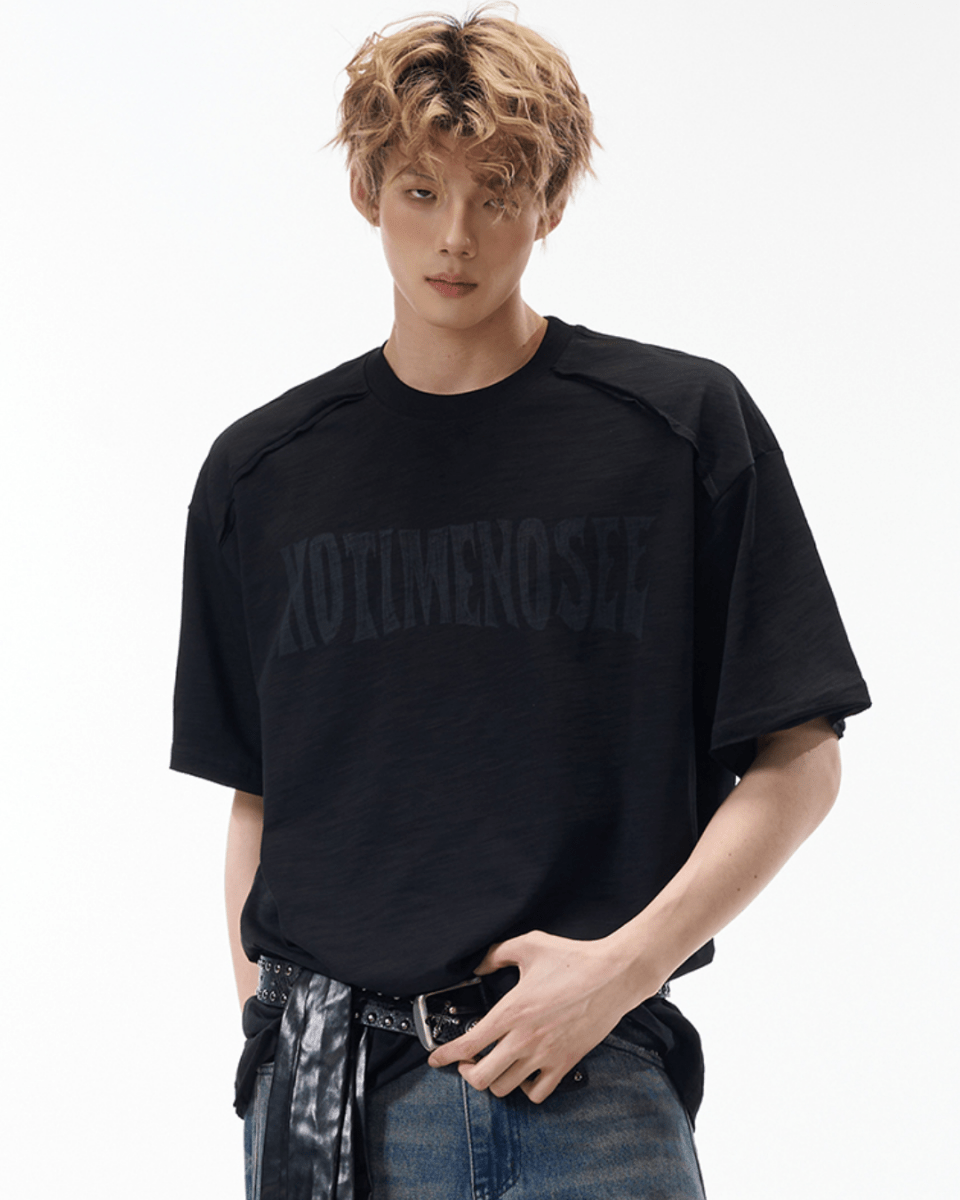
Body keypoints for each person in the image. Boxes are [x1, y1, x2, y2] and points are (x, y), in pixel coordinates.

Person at [170, 6, 872, 1198]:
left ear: (550, 205)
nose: (456, 236)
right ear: (364, 190)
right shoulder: (263, 473)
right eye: (419, 191)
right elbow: (259, 796)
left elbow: (800, 758)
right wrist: (265, 1037)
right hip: (333, 1101)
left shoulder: (676, 431)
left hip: (589, 1081)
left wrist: (621, 971)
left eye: (497, 194)